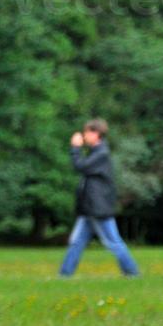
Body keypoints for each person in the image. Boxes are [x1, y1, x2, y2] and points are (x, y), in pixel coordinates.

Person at [59, 118, 140, 277]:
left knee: (113, 242)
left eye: (86, 132)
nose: (84, 135)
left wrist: (75, 148)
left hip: (98, 208)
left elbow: (80, 166)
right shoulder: (97, 152)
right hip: (90, 208)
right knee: (76, 242)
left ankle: (132, 272)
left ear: (96, 133)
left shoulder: (102, 154)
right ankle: (65, 274)